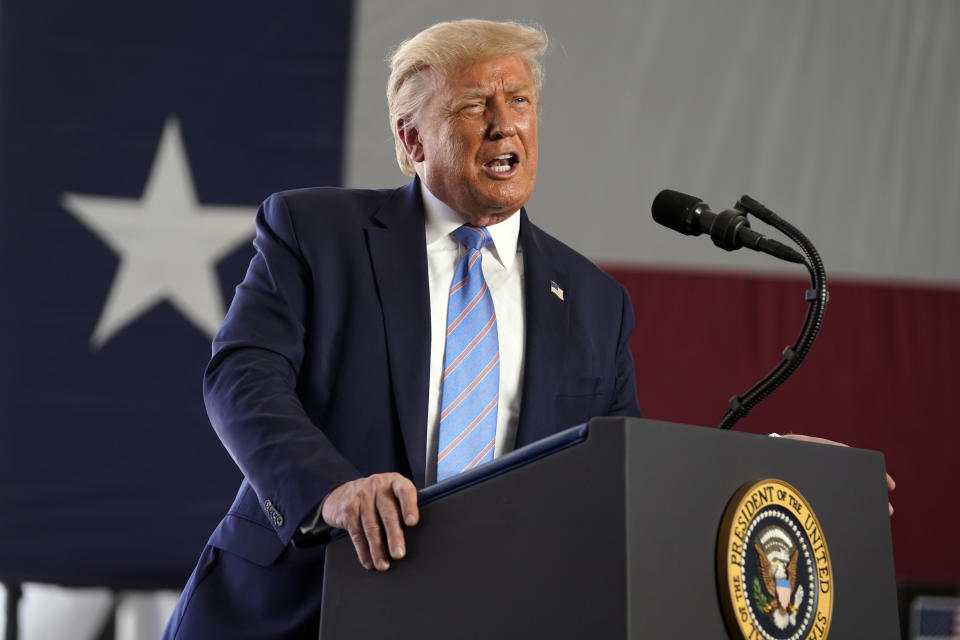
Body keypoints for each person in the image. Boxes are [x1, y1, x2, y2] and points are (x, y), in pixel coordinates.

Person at [163, 19, 642, 639]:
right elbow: (241, 376)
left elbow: (619, 477)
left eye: (519, 99)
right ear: (412, 140)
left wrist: (752, 462)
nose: (505, 123)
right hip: (303, 606)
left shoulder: (595, 302)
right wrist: (332, 492)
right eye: (474, 104)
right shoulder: (315, 233)